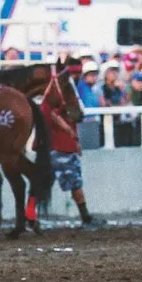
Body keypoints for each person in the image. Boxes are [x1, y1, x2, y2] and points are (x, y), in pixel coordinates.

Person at [41, 74, 97, 228]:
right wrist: (71, 134)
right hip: (60, 146)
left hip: (53, 146)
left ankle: (30, 216)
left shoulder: (54, 96)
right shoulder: (62, 95)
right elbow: (55, 115)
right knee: (75, 184)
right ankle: (86, 218)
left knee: (41, 183)